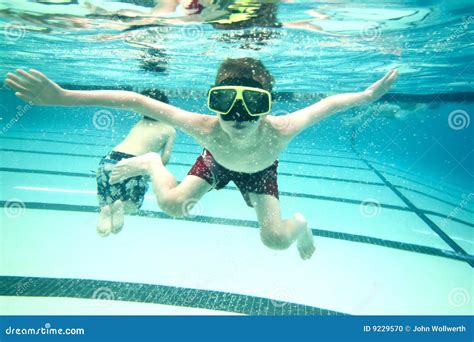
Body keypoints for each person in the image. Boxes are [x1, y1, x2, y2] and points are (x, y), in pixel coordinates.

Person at [4, 58, 398, 260]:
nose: (238, 116)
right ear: (213, 103)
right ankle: (151, 164)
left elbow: (329, 105)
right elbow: (138, 101)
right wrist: (64, 97)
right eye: (225, 102)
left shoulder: (282, 128)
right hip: (215, 160)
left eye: (252, 103)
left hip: (262, 171)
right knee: (173, 206)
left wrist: (367, 96)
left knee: (275, 240)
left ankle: (303, 227)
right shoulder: (205, 128)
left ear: (267, 107)